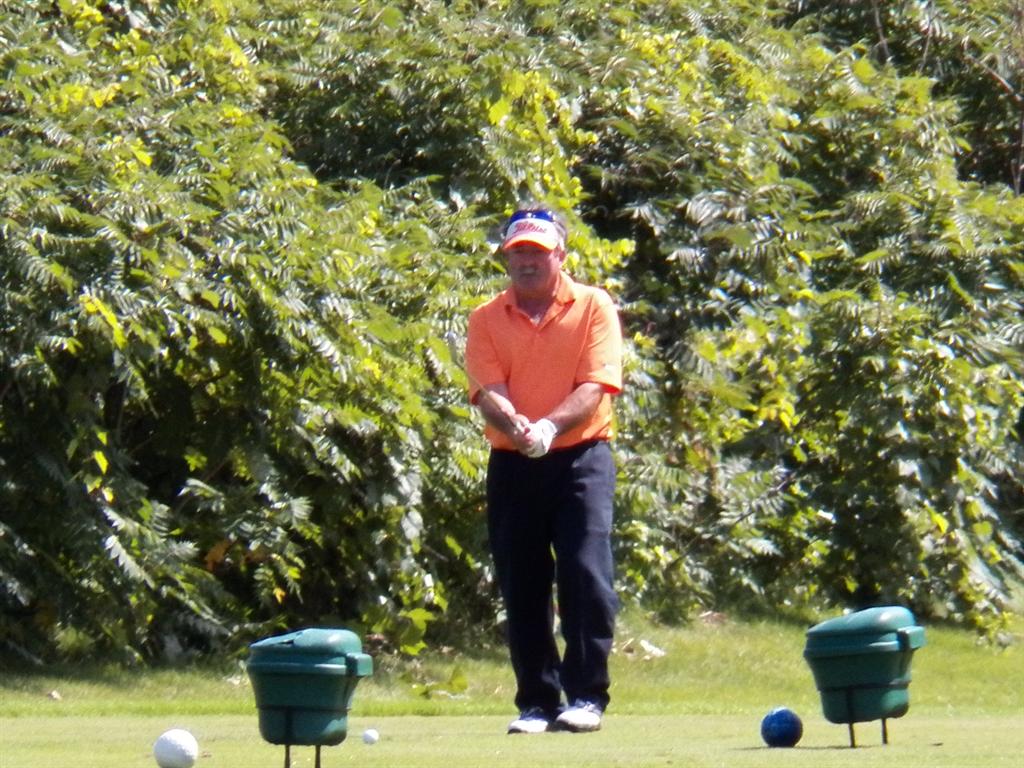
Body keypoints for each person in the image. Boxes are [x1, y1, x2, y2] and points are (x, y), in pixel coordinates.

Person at [465, 206, 623, 734]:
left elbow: (595, 385)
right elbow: (487, 391)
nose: (527, 262)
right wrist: (516, 426)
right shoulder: (486, 318)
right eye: (518, 253)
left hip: (581, 457)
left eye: (537, 252)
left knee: (585, 572)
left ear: (560, 254)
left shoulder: (593, 305)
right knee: (523, 582)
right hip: (514, 462)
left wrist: (549, 428)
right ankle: (537, 701)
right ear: (506, 259)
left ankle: (587, 696)